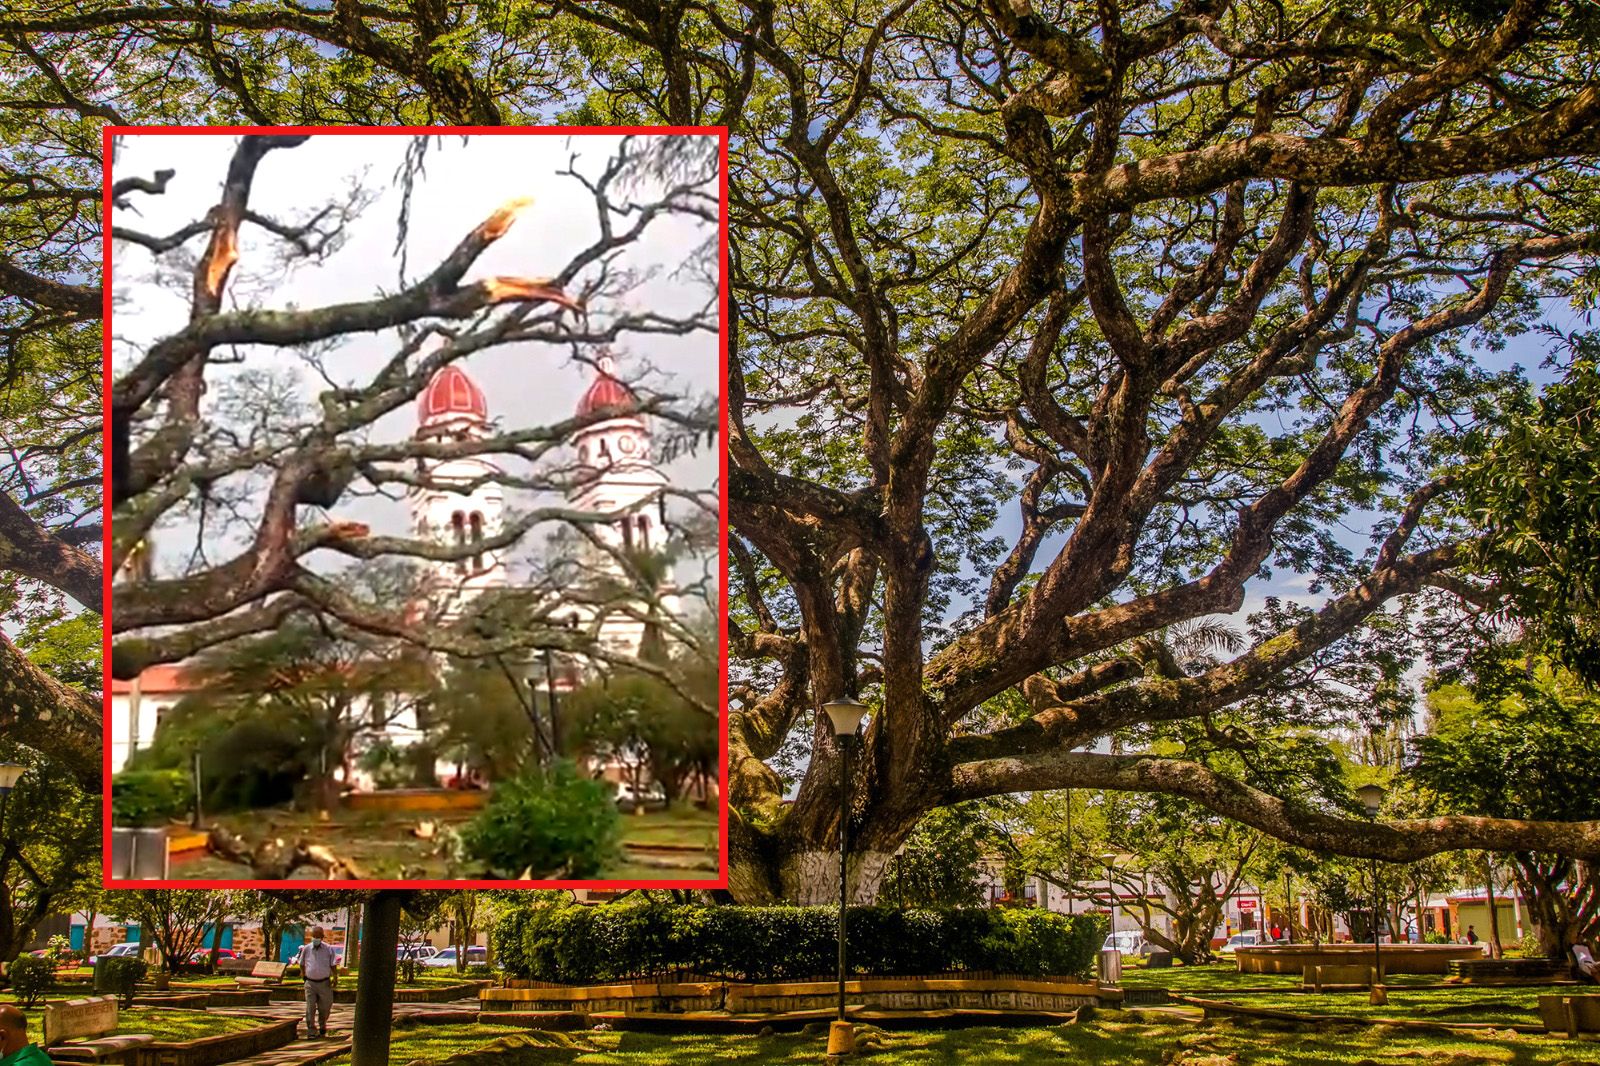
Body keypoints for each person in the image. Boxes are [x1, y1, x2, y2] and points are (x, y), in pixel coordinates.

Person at [295, 926, 339, 1039]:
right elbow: (302, 963)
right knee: (310, 1007)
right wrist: (303, 974)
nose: (316, 938)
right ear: (311, 936)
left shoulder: (328, 949)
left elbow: (333, 965)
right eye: (314, 936)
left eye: (318, 936)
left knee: (325, 1007)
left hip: (324, 983)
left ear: (322, 937)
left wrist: (335, 977)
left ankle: (322, 1025)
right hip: (310, 983)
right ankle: (311, 1030)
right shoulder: (306, 949)